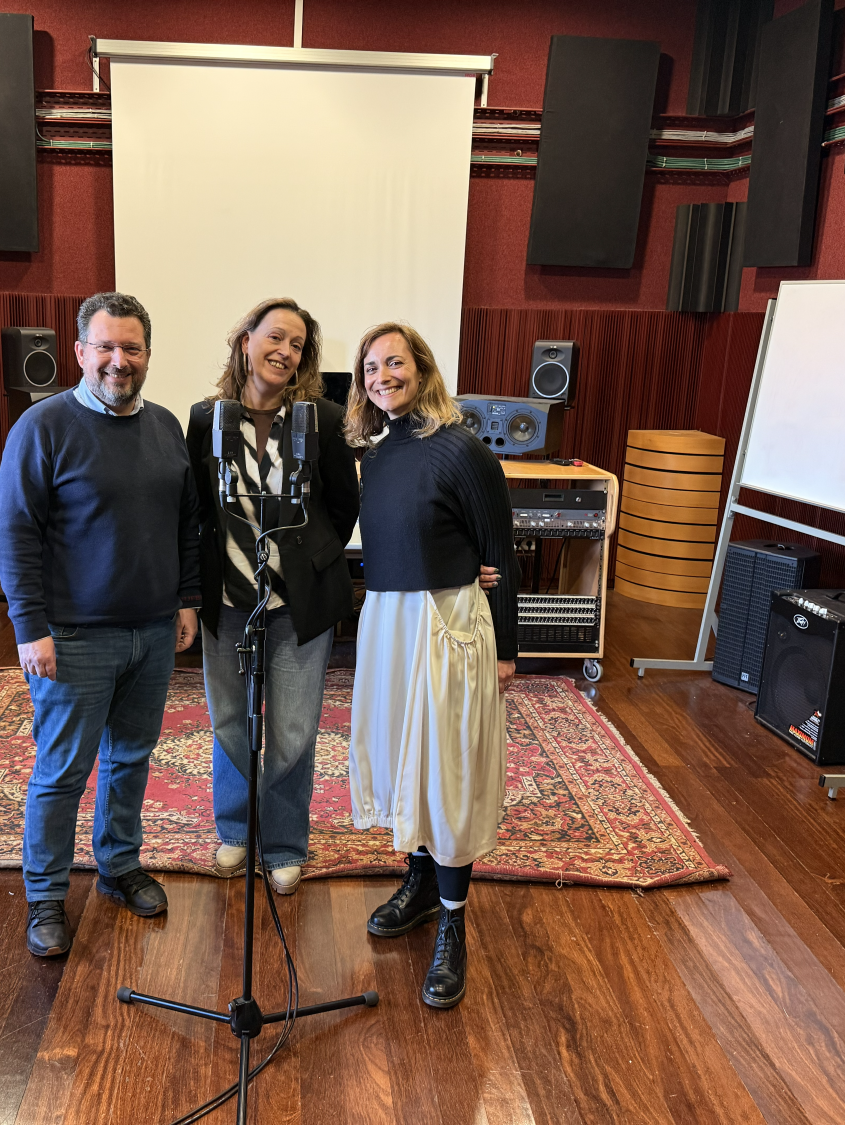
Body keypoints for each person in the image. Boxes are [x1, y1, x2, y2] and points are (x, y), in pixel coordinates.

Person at [0, 291, 201, 959]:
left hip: (152, 631)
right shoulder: (42, 427)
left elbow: (186, 525)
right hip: (73, 636)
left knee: (131, 758)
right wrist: (30, 626)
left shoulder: (168, 427)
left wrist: (187, 600)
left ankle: (118, 865)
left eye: (132, 348)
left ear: (147, 355)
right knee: (61, 771)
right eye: (105, 347)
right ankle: (47, 896)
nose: (119, 360)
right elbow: (14, 534)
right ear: (80, 352)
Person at [344, 321, 518, 1010]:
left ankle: (454, 924)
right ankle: (419, 885)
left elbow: (500, 553)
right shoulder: (376, 452)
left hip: (449, 624)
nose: (381, 375)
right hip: (388, 623)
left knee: (447, 770)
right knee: (404, 760)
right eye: (369, 367)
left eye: (394, 362)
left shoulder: (463, 449)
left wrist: (506, 650)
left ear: (422, 367)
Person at [186, 298, 360, 894]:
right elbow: (196, 512)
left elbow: (343, 506)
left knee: (292, 731)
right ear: (245, 341)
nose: (285, 351)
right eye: (276, 337)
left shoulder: (324, 420)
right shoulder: (205, 418)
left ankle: (284, 842)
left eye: (298, 345)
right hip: (227, 601)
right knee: (230, 721)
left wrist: (310, 558)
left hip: (298, 608)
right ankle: (235, 832)